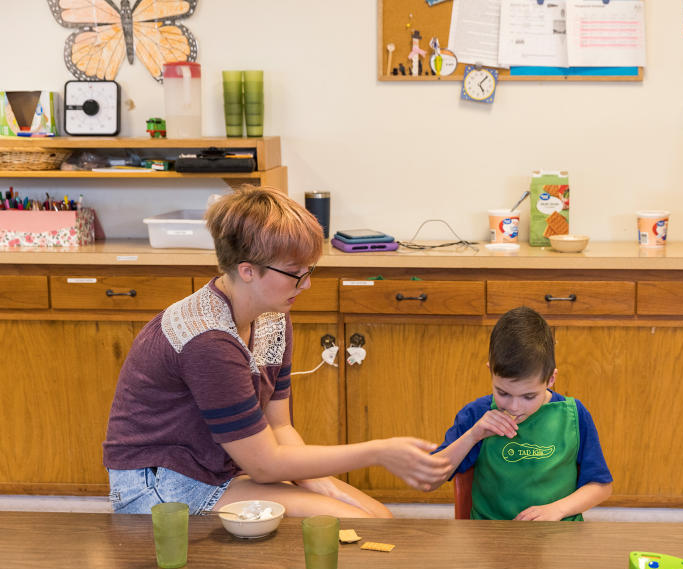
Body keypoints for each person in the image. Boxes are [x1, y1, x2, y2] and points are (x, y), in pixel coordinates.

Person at [103, 186, 452, 518]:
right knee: (352, 522)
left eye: (308, 271)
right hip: (163, 487)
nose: (307, 284)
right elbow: (265, 464)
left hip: (219, 464)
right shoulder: (208, 340)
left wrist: (320, 486)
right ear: (247, 271)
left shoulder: (271, 316)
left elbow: (280, 426)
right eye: (295, 273)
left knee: (378, 516)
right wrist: (379, 452)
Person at [429, 306, 612, 520]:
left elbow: (601, 486)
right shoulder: (477, 414)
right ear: (490, 371)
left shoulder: (573, 415)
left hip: (558, 537)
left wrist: (557, 509)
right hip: (491, 539)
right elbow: (430, 480)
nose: (514, 407)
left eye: (528, 396)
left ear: (551, 379)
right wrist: (473, 436)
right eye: (503, 392)